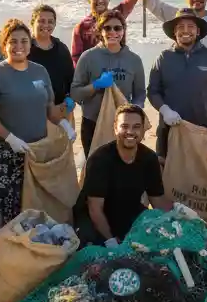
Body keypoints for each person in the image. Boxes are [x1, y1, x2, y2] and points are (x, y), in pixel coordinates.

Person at [0, 18, 64, 255]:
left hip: (36, 153)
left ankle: (31, 256)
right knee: (6, 206)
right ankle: (0, 257)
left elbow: (50, 108)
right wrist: (11, 139)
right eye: (13, 41)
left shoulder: (40, 71)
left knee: (33, 205)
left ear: (30, 44)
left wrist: (64, 122)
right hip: (6, 153)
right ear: (4, 45)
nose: (19, 46)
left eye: (24, 41)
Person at [73, 104, 172, 246]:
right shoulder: (99, 159)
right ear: (115, 128)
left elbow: (158, 201)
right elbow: (95, 208)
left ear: (143, 130)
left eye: (136, 127)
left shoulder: (149, 158)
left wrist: (178, 216)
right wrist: (110, 240)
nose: (130, 132)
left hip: (128, 212)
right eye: (124, 126)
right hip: (94, 218)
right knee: (93, 245)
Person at [148, 7, 207, 162]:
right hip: (170, 130)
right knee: (167, 171)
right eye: (180, 27)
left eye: (191, 26)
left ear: (198, 31)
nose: (185, 30)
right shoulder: (163, 58)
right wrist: (165, 110)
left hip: (202, 131)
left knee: (199, 173)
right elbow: (152, 91)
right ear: (174, 32)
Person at [71, 8, 146, 156]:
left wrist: (136, 108)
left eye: (117, 28)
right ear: (100, 31)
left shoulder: (134, 60)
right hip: (93, 123)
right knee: (95, 166)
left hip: (124, 126)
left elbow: (140, 93)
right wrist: (96, 85)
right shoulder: (88, 57)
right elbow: (75, 93)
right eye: (107, 28)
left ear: (123, 31)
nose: (113, 32)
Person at [70, 0, 140, 60]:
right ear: (89, 0)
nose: (100, 0)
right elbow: (76, 59)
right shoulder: (81, 28)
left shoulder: (117, 17)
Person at [28, 3, 76, 114]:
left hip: (60, 108)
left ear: (55, 24)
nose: (46, 25)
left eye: (50, 22)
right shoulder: (25, 48)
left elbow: (70, 78)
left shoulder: (61, 48)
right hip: (31, 110)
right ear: (32, 23)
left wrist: (70, 98)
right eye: (41, 21)